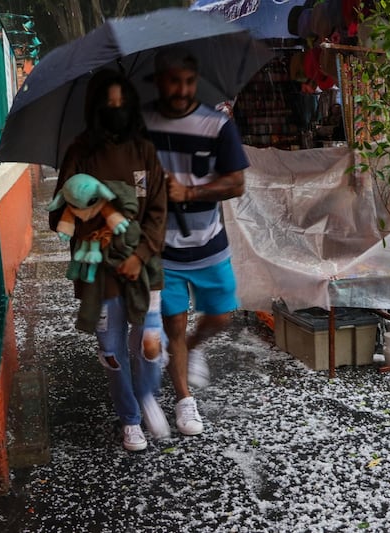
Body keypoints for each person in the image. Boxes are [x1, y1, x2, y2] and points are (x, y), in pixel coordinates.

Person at [50, 69, 169, 451]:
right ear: (95, 107)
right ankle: (130, 417)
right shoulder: (80, 151)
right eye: (108, 103)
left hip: (144, 268)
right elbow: (58, 215)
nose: (116, 109)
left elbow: (158, 211)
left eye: (122, 102)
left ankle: (147, 394)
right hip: (98, 273)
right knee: (113, 352)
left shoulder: (145, 150)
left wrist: (140, 253)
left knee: (149, 342)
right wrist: (96, 223)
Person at [142, 47, 249, 436]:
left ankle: (193, 346)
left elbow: (236, 183)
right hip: (161, 249)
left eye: (189, 81)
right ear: (158, 80)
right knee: (172, 327)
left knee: (221, 314)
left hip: (208, 245)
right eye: (174, 81)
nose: (183, 89)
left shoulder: (217, 125)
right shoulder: (141, 124)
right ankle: (185, 401)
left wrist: (188, 192)